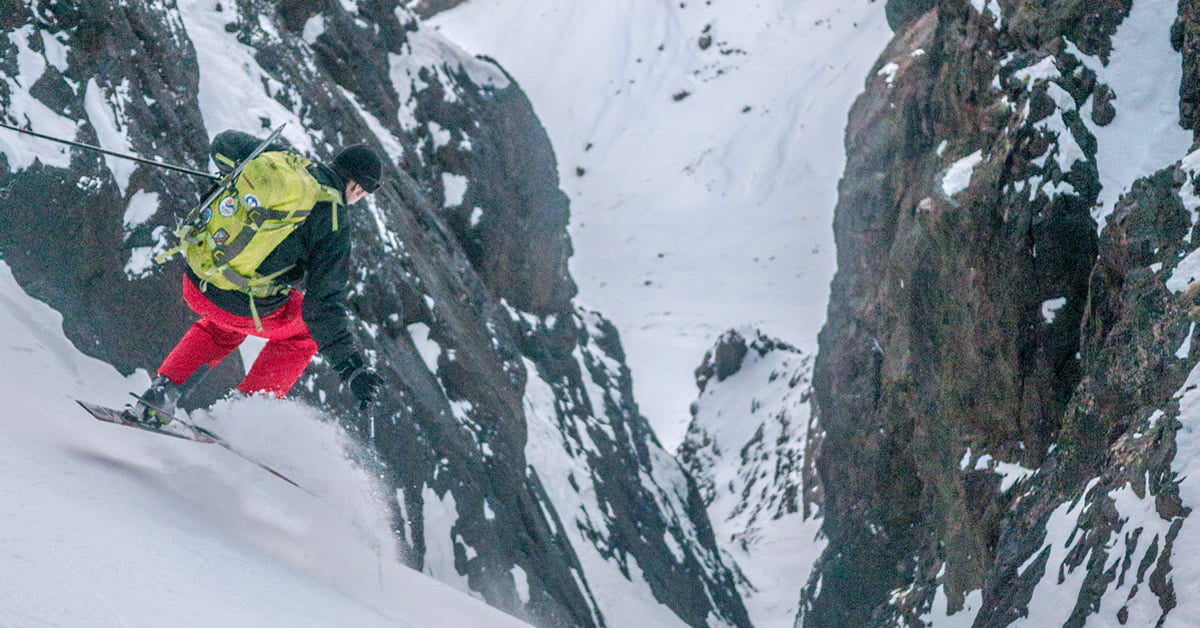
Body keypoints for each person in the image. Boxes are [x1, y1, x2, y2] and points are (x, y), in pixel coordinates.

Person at [132, 130, 385, 423]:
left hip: (197, 279)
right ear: (356, 186)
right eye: (362, 194)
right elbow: (322, 305)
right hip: (239, 306)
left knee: (225, 324)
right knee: (302, 333)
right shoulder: (334, 221)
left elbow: (223, 143)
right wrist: (351, 368)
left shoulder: (285, 167)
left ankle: (160, 395)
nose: (358, 199)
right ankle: (244, 417)